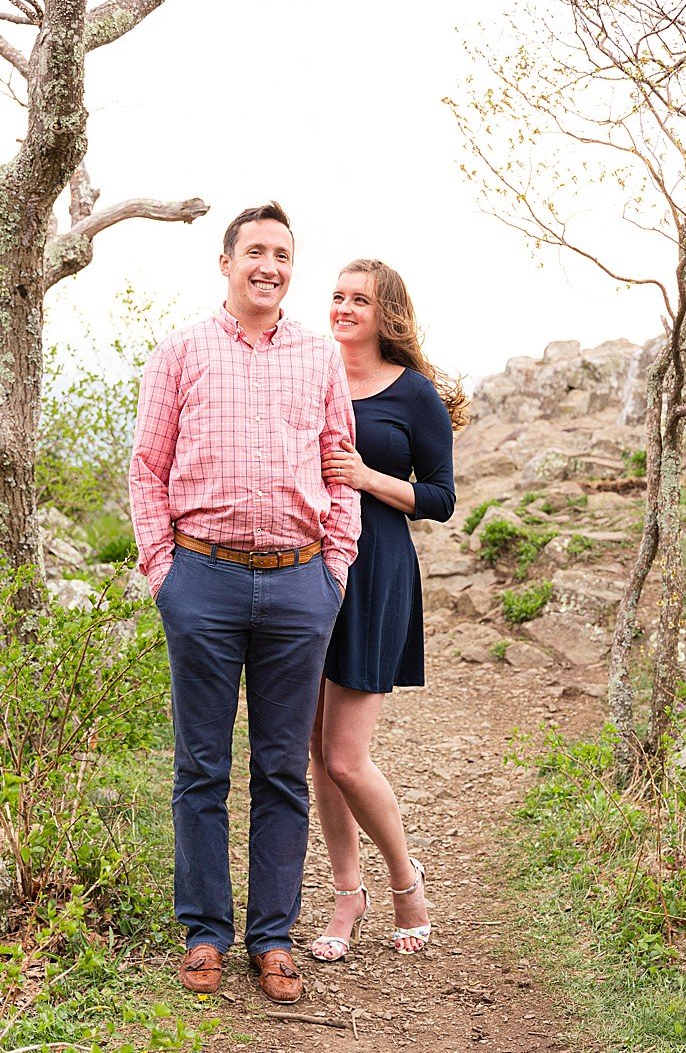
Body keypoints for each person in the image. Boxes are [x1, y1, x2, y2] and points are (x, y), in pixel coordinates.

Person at [130, 202, 360, 1005]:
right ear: (226, 263)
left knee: (281, 770)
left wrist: (333, 568)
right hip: (203, 580)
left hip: (300, 583)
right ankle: (204, 932)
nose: (270, 265)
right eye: (256, 251)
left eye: (283, 254)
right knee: (201, 767)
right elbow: (146, 467)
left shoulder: (319, 357)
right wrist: (165, 572)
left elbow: (341, 467)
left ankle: (271, 936)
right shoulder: (181, 352)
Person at [307, 259, 465, 962]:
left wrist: (368, 476)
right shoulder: (309, 373)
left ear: (386, 314)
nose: (342, 308)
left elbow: (439, 498)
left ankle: (405, 881)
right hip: (305, 566)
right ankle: (348, 895)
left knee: (345, 755)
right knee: (314, 750)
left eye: (359, 300)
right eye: (336, 296)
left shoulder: (415, 395)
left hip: (376, 572)